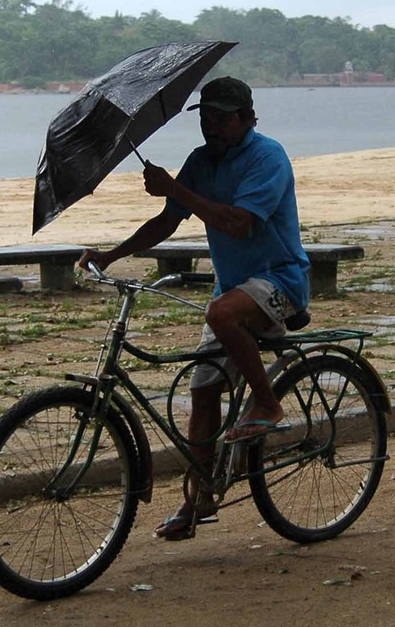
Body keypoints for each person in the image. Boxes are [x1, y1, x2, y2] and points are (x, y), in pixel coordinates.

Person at [78, 76, 310, 541]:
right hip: (233, 288)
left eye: (221, 119)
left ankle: (268, 403)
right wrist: (110, 254)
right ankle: (199, 497)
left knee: (220, 314)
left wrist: (175, 189)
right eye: (205, 118)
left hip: (281, 282)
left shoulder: (268, 157)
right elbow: (167, 220)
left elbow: (236, 223)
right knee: (203, 393)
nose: (211, 128)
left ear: (246, 118)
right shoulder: (202, 162)